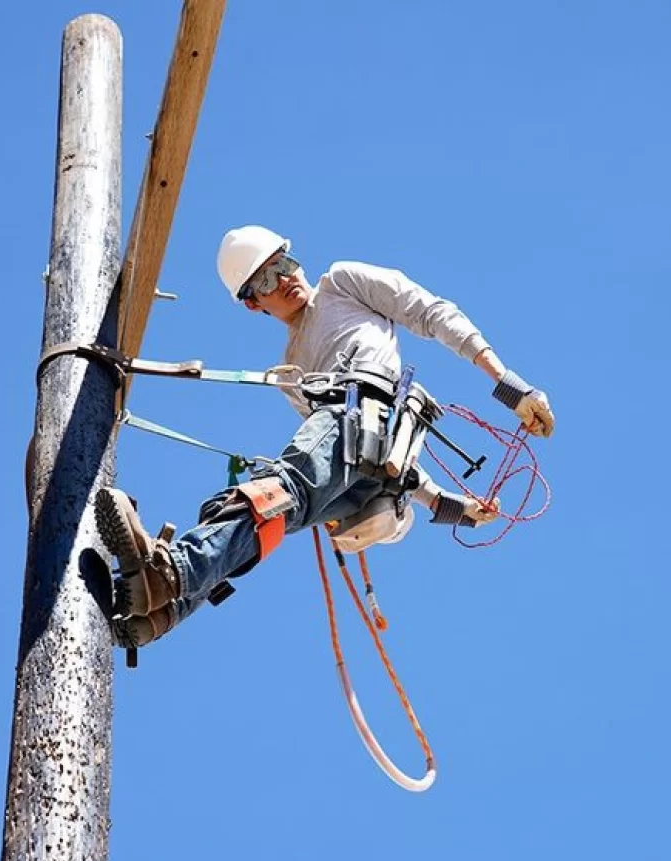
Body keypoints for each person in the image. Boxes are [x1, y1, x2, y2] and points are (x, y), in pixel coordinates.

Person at [97, 225, 555, 648]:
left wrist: (508, 385)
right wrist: (452, 507)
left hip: (370, 430)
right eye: (265, 281)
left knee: (283, 491)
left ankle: (171, 574)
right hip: (361, 459)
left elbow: (433, 314)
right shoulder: (288, 370)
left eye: (284, 265)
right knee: (262, 511)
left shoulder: (343, 283)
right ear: (253, 303)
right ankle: (162, 612)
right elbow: (347, 452)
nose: (284, 280)